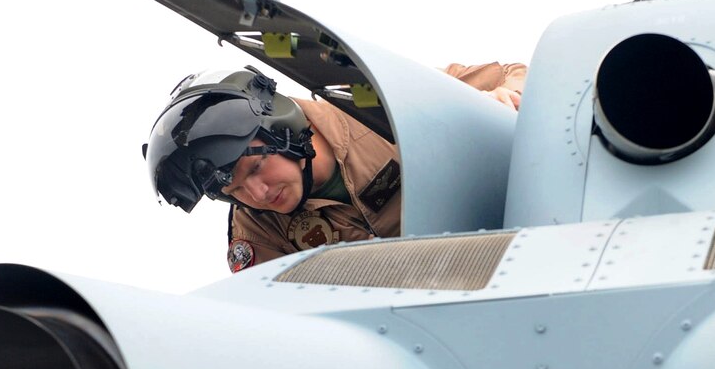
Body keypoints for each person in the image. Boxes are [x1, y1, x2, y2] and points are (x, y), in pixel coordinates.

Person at [143, 62, 525, 272]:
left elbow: (512, 73)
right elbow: (278, 319)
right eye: (236, 191)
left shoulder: (376, 109)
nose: (258, 195)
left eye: (257, 168)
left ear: (284, 128)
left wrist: (502, 100)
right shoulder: (256, 228)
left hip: (511, 255)